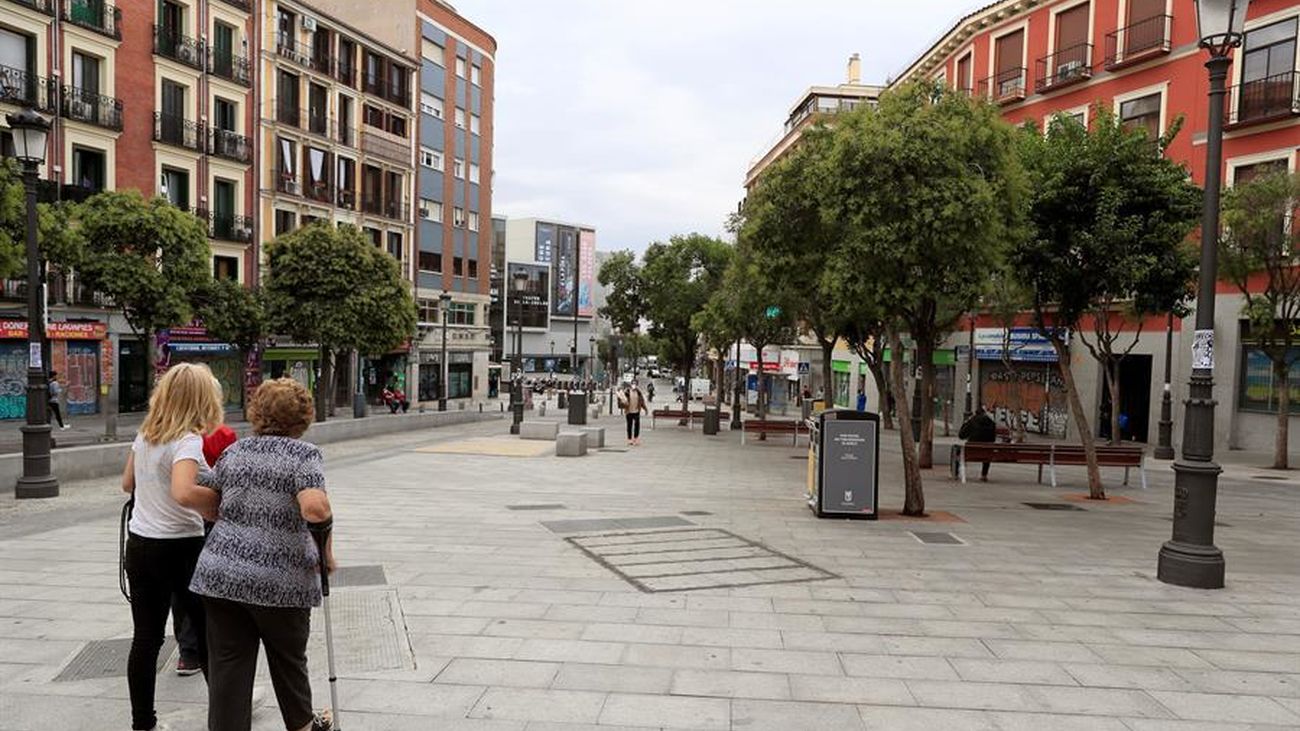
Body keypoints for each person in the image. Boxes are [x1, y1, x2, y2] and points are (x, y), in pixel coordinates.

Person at [190, 378, 335, 731]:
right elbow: (315, 508)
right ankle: (303, 726)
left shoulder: (235, 452)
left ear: (257, 413)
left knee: (228, 669)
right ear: (303, 417)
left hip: (221, 575)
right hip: (280, 581)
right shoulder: (304, 455)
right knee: (288, 662)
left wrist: (227, 516)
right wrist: (326, 554)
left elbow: (206, 490)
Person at [121, 363, 222, 731]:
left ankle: (143, 723)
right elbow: (183, 492)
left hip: (142, 546)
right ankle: (226, 714)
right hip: (182, 548)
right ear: (201, 399)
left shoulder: (146, 434)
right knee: (208, 633)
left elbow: (127, 482)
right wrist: (214, 503)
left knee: (145, 639)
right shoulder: (188, 439)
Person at [958, 406, 998, 481]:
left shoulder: (972, 421)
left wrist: (965, 423)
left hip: (972, 451)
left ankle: (962, 473)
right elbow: (993, 439)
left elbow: (961, 435)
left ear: (975, 414)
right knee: (987, 450)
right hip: (987, 451)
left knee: (958, 450)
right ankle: (984, 475)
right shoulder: (991, 422)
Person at [620, 381, 648, 446]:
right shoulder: (627, 392)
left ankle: (635, 438)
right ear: (631, 384)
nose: (634, 385)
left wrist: (645, 409)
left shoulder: (639, 393)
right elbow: (622, 400)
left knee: (637, 424)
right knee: (629, 425)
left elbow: (642, 402)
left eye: (635, 384)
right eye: (633, 384)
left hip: (636, 411)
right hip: (629, 411)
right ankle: (629, 439)